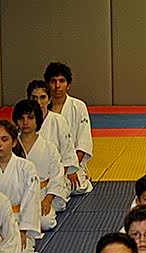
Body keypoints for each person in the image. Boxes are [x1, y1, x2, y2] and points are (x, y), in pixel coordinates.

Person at [0, 119, 41, 253]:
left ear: (14, 142)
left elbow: (31, 201)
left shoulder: (26, 168)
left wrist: (23, 230)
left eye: (4, 139)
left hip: (18, 220)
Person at [12, 99, 65, 234]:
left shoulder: (49, 147)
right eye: (21, 118)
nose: (25, 122)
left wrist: (48, 200)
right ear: (16, 121)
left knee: (45, 223)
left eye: (30, 118)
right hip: (17, 196)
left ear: (37, 120)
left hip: (41, 195)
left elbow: (57, 175)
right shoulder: (11, 146)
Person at [45, 62, 94, 194]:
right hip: (46, 165)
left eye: (62, 81)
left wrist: (71, 168)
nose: (57, 86)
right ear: (48, 84)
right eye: (53, 81)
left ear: (68, 85)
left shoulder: (78, 107)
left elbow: (83, 143)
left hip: (72, 164)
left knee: (74, 187)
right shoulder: (41, 109)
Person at [26, 79, 79, 195]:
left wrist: (55, 180)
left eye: (43, 97)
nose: (39, 102)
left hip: (55, 179)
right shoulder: (22, 124)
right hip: (28, 181)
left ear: (49, 99)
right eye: (34, 98)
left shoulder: (58, 121)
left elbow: (67, 155)